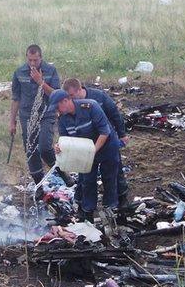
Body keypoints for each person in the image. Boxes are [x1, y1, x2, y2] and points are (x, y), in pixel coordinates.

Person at [48, 89, 121, 222]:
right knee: (87, 180)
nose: (57, 111)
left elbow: (104, 132)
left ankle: (111, 210)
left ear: (66, 101)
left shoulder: (90, 106)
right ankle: (88, 213)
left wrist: (91, 151)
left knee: (109, 177)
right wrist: (59, 147)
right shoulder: (63, 119)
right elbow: (66, 140)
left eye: (58, 107)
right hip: (85, 151)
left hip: (106, 146)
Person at [62, 78, 129, 207]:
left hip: (107, 139)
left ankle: (120, 199)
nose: (71, 99)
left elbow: (114, 114)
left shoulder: (98, 97)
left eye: (71, 96)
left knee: (114, 173)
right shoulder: (73, 108)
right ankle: (82, 202)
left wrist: (122, 134)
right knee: (85, 176)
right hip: (87, 144)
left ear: (80, 90)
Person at [10, 45, 60, 185]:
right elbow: (16, 98)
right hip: (27, 116)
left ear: (41, 58)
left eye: (35, 60)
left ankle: (60, 171)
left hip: (46, 113)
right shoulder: (19, 72)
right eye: (30, 60)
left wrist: (40, 82)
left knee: (44, 147)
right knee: (31, 150)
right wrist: (12, 121)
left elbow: (56, 94)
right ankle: (39, 184)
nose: (32, 63)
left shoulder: (50, 71)